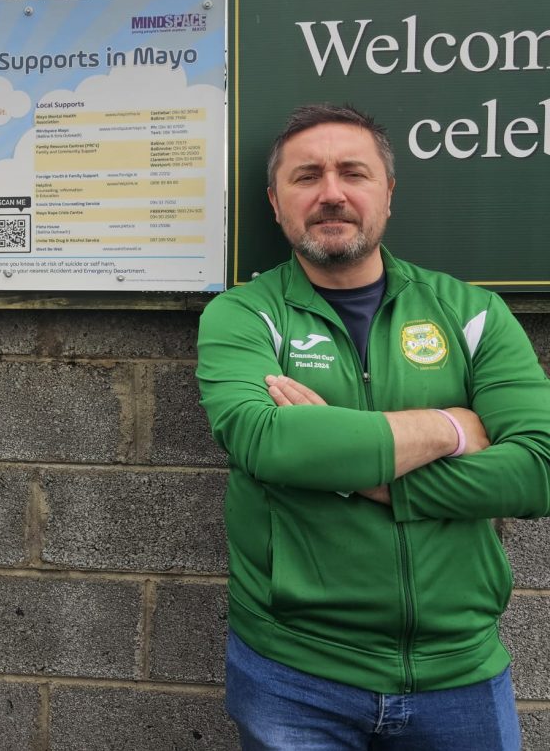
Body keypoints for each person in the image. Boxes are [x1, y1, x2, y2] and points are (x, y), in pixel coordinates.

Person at [196, 104, 550, 750]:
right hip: (293, 672)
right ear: (276, 204)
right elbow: (265, 440)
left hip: (460, 672)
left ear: (387, 193)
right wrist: (449, 426)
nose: (331, 193)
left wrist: (365, 474)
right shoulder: (244, 314)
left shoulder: (472, 313)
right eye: (307, 177)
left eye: (352, 173)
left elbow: (539, 468)